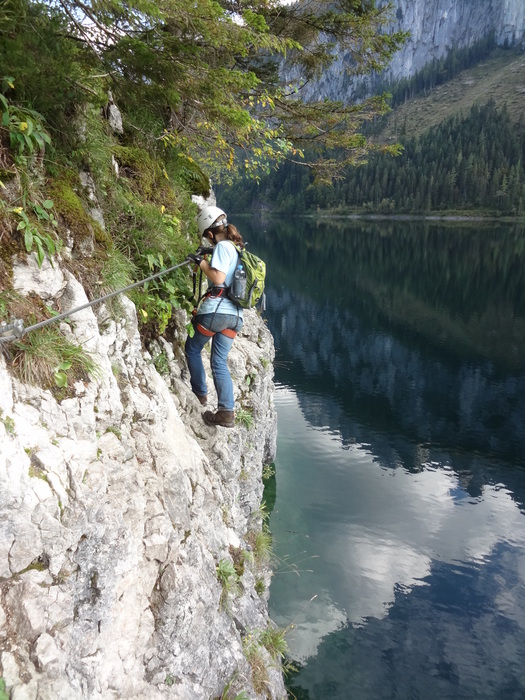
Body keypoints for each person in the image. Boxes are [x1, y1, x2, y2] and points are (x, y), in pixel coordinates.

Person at [185, 205, 244, 428]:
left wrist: (199, 262)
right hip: (236, 316)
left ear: (210, 233)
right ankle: (226, 412)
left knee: (192, 348)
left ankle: (200, 394)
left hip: (216, 312)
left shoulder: (222, 247)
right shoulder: (238, 249)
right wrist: (209, 255)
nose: (209, 243)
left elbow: (218, 278)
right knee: (219, 361)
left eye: (207, 239)